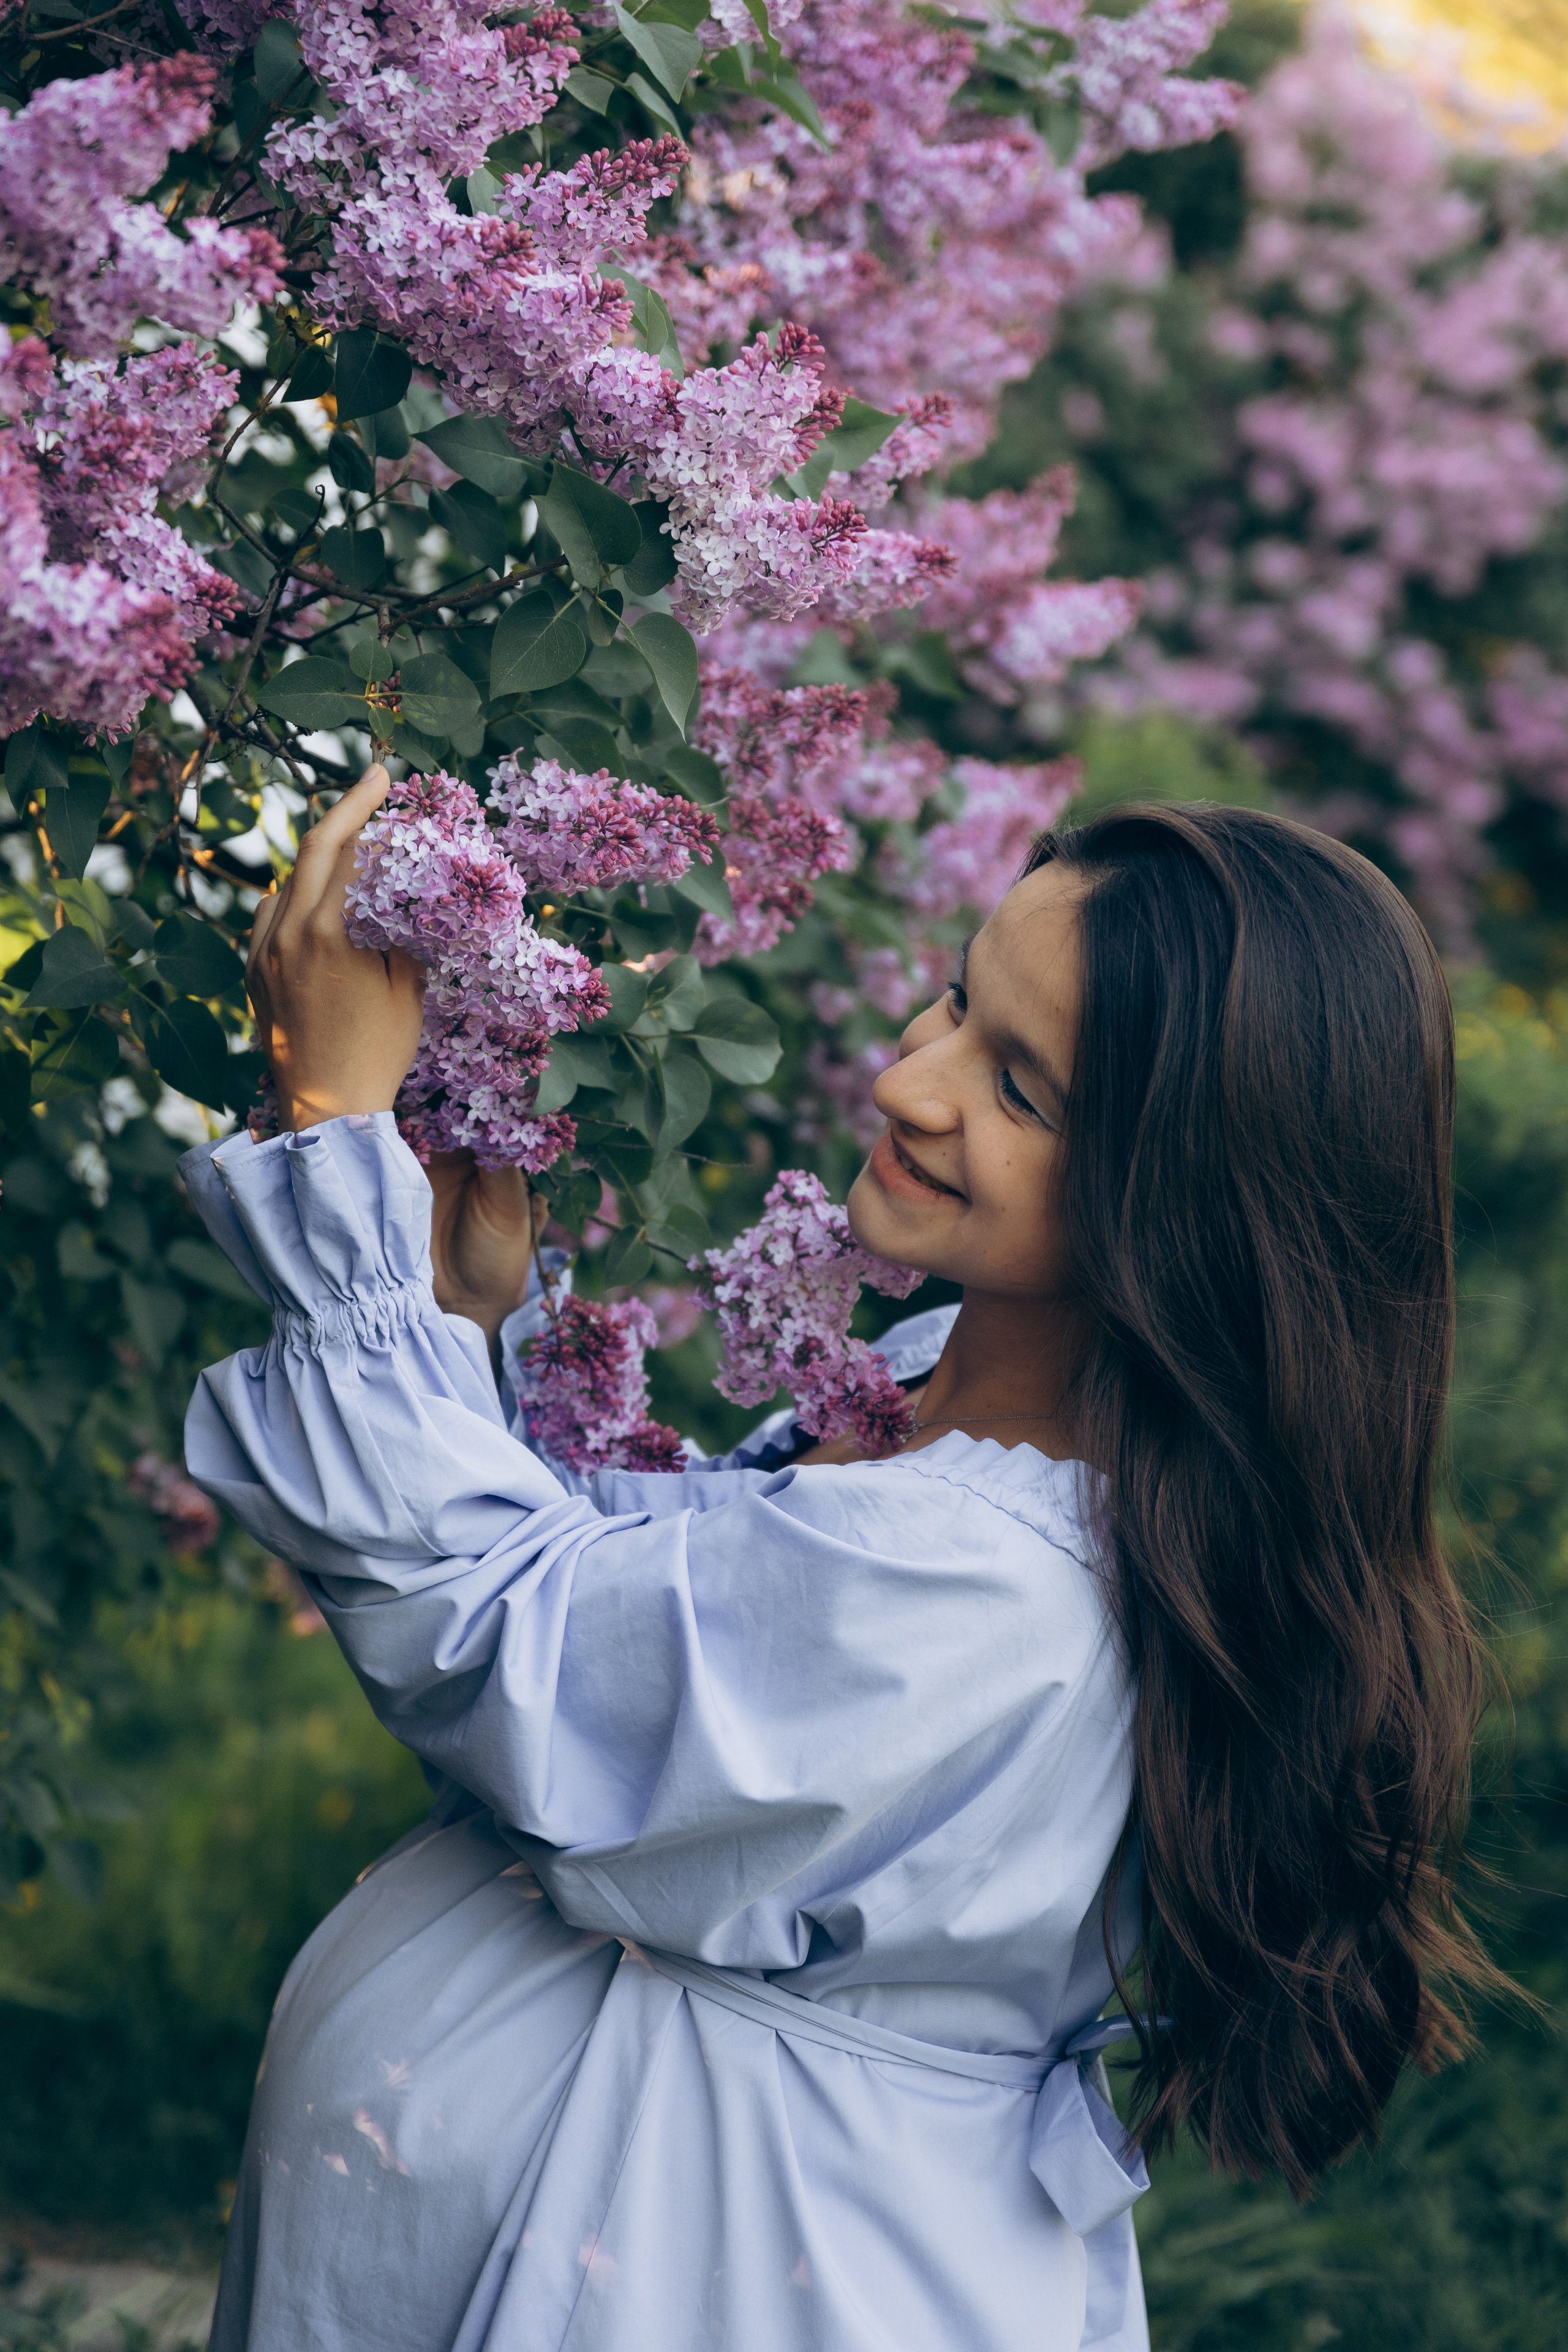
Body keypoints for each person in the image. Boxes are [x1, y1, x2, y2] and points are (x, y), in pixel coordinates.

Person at [182, 770, 1501, 2352]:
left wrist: (338, 1154)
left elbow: (518, 1658)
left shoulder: (1002, 1587)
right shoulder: (950, 1397)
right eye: (955, 1001)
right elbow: (672, 1650)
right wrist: (479, 1327)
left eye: (1021, 1092)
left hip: (712, 2266)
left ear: (1193, 1204)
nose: (912, 1082)